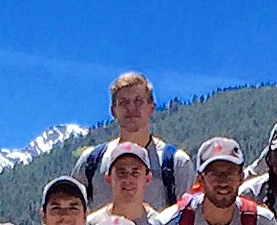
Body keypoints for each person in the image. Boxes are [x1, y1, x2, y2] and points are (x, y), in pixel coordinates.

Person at [69, 71, 188, 209]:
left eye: (138, 101)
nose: (131, 108)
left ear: (152, 108)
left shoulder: (175, 163)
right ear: (113, 110)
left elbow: (191, 218)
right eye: (123, 102)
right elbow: (66, 209)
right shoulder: (92, 162)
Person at [92, 138, 163, 225]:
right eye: (121, 173)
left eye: (135, 173)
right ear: (108, 178)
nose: (128, 179)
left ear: (148, 178)